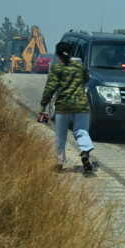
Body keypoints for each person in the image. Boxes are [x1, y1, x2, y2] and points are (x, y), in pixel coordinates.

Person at [39, 42, 95, 173]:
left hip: (63, 106)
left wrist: (43, 105)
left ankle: (59, 162)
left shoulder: (57, 68)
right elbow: (87, 79)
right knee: (81, 131)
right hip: (81, 105)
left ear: (57, 54)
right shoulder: (79, 66)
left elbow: (50, 88)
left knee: (61, 136)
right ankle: (85, 150)